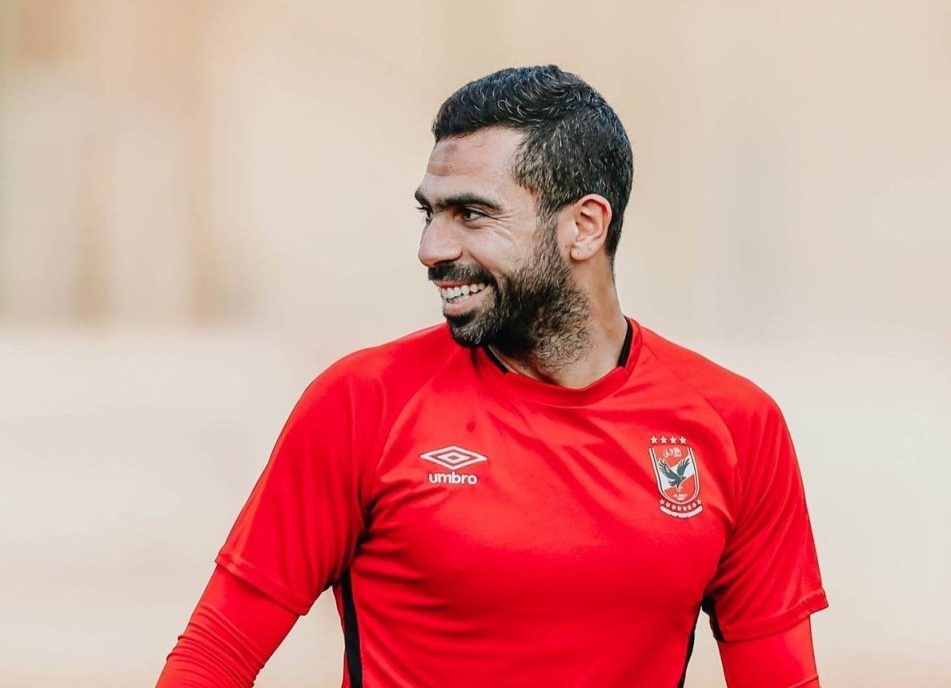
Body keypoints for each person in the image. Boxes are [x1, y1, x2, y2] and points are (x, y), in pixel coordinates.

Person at [156, 65, 827, 687]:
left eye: (471, 214)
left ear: (584, 226)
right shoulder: (363, 403)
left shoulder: (737, 425)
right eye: (430, 212)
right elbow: (215, 657)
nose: (432, 248)